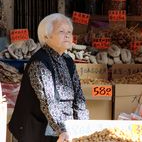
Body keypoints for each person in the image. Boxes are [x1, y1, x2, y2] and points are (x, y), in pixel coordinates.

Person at [8, 13, 89, 142]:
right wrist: (62, 130)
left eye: (69, 31)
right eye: (61, 31)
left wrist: (83, 125)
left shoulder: (68, 60)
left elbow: (79, 98)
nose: (67, 35)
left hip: (60, 128)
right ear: (47, 36)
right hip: (36, 131)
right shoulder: (40, 63)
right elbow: (48, 102)